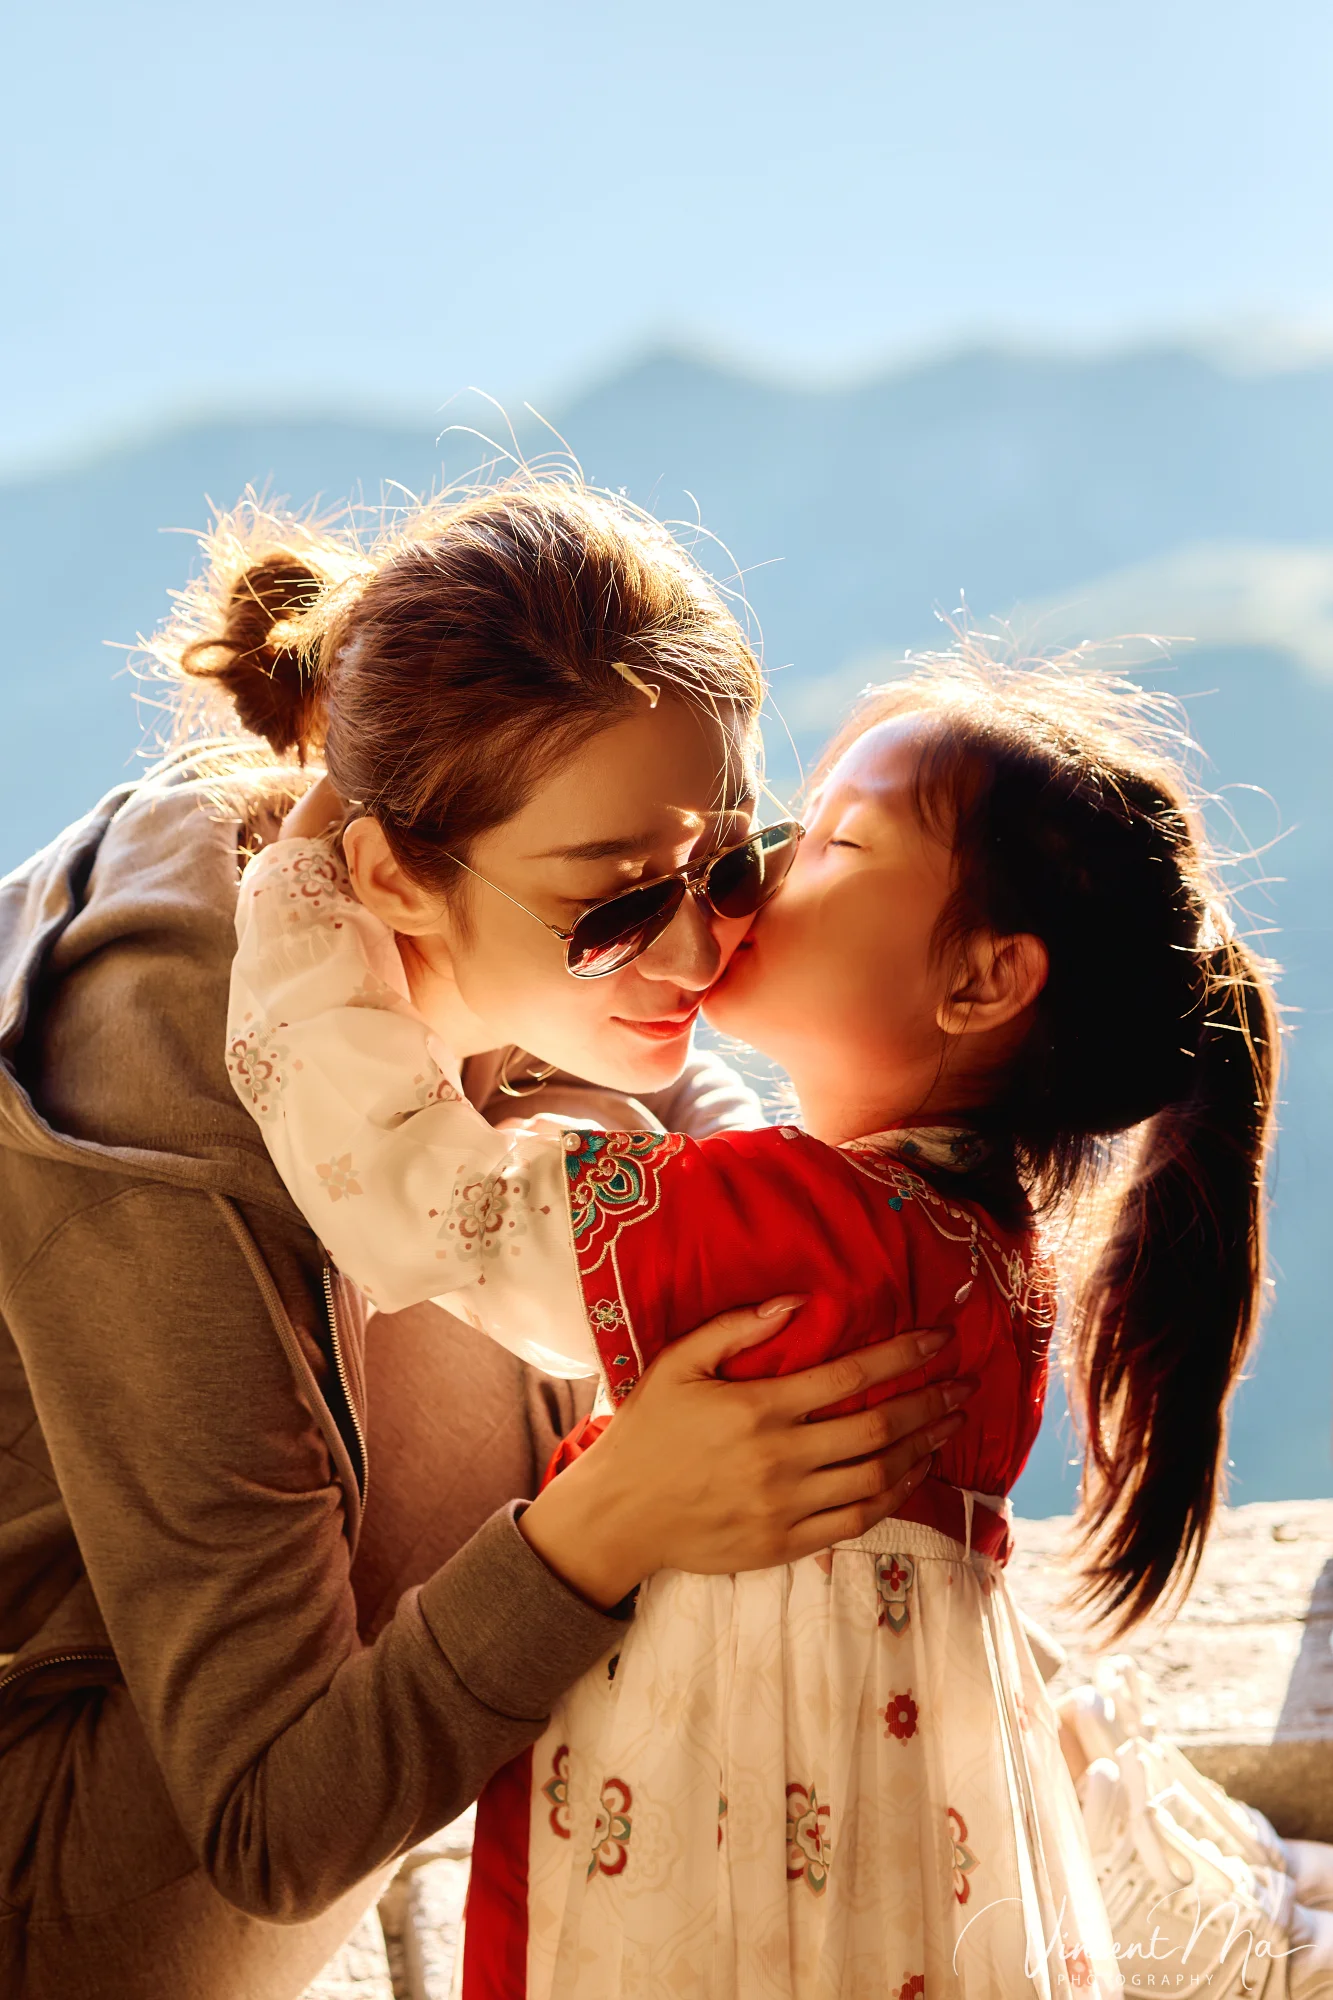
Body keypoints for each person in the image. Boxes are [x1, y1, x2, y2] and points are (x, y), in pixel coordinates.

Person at [0, 482, 958, 2000]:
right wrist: (610, 1525)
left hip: (169, 1685)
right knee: (598, 1318)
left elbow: (673, 1112)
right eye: (617, 909)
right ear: (390, 876)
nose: (702, 951)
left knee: (630, 1248)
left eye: (728, 869)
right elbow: (262, 1829)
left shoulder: (362, 886)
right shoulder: (174, 1143)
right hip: (64, 1872)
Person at [228, 641, 1285, 1996]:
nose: (763, 868)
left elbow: (418, 1195)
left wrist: (303, 895)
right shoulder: (975, 1247)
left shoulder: (789, 1233)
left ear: (981, 983)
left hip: (720, 1873)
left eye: (838, 840)